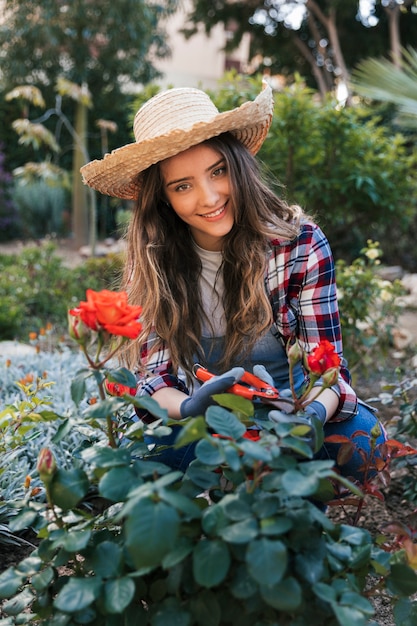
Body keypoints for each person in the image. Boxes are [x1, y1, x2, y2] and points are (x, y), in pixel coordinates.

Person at [80, 81, 386, 482]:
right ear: (163, 199)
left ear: (237, 164)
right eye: (182, 186)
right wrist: (190, 410)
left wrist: (309, 414)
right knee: (152, 463)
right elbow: (154, 378)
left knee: (363, 445)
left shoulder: (300, 245)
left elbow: (329, 367)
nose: (208, 198)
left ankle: (281, 501)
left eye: (217, 171)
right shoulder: (153, 262)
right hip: (208, 416)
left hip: (290, 406)